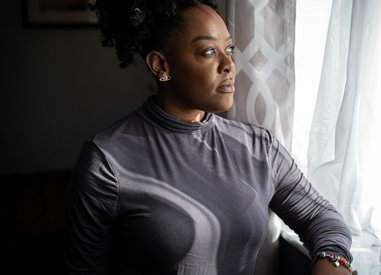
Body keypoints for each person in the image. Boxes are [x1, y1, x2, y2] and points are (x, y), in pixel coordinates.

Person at [65, 0, 354, 274]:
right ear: (160, 66)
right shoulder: (106, 161)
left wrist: (333, 261)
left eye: (229, 48)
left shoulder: (257, 147)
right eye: (207, 51)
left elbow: (321, 217)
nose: (229, 64)